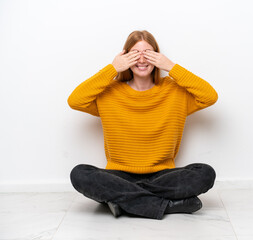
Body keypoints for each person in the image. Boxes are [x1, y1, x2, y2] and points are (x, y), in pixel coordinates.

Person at [68, 30, 218, 220]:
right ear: (124, 57)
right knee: (80, 174)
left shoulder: (174, 91)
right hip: (118, 175)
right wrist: (112, 69)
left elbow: (210, 96)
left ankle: (122, 201)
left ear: (157, 56)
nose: (141, 59)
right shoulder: (109, 93)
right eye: (134, 54)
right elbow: (75, 100)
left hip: (163, 175)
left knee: (204, 173)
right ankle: (167, 205)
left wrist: (170, 66)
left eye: (148, 53)